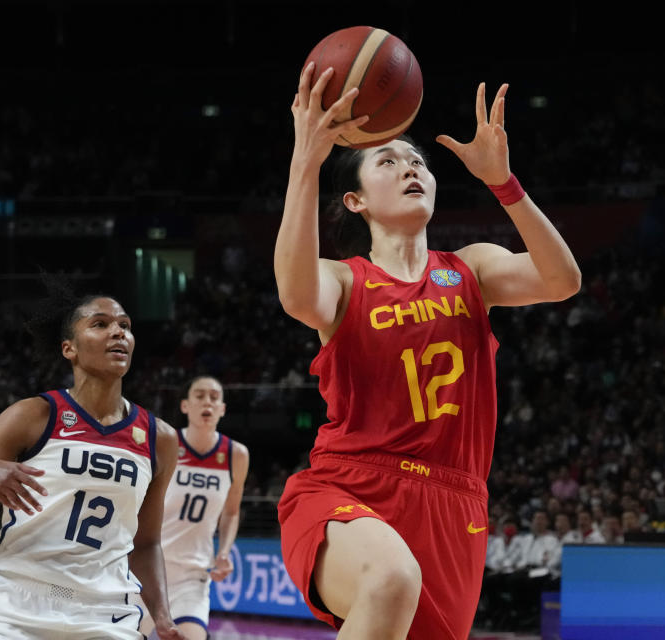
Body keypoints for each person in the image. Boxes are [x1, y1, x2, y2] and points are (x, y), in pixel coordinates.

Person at [273, 62, 582, 640]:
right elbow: (294, 295)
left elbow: (562, 280)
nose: (409, 167)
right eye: (386, 161)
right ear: (356, 200)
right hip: (351, 482)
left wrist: (503, 183)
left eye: (417, 161)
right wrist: (304, 162)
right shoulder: (344, 281)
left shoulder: (473, 269)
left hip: (454, 502)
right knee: (388, 578)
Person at [0, 288, 185, 640]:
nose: (118, 332)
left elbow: (146, 543)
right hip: (16, 608)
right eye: (100, 324)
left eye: (125, 326)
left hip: (106, 613)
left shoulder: (161, 438)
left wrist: (162, 617)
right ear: (70, 349)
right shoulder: (31, 416)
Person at [139, 376, 249, 640]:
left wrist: (224, 551)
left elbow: (231, 511)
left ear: (222, 409)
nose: (207, 402)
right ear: (185, 406)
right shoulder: (165, 444)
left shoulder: (236, 455)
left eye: (214, 397)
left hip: (193, 575)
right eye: (199, 396)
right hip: (147, 568)